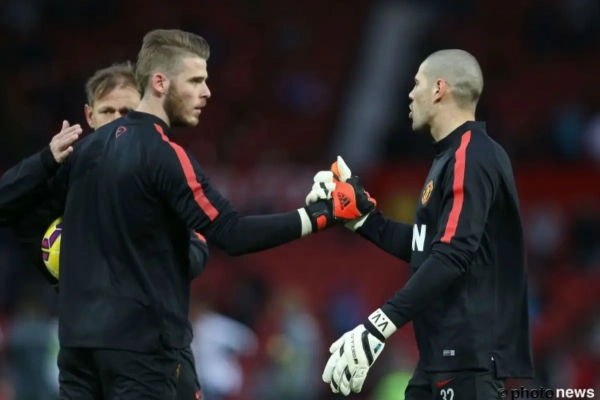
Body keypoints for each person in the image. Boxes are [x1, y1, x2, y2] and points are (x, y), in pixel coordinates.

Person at [0, 29, 374, 400]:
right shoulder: (165, 155)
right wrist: (325, 213)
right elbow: (233, 233)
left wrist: (45, 165)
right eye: (195, 81)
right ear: (160, 83)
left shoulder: (84, 153)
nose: (206, 92)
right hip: (141, 350)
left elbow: (12, 207)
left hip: (77, 348)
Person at [315, 49, 535, 399]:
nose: (410, 94)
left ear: (438, 89)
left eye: (417, 84)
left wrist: (377, 326)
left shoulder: (472, 154)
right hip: (439, 360)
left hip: (468, 361)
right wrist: (362, 220)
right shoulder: (451, 157)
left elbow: (451, 254)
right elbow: (428, 247)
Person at [7, 62, 206, 400]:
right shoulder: (67, 173)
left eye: (126, 111)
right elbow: (12, 210)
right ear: (90, 116)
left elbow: (197, 247)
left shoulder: (163, 169)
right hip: (88, 346)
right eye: (107, 111)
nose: (117, 120)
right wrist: (46, 159)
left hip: (155, 344)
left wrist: (150, 256)